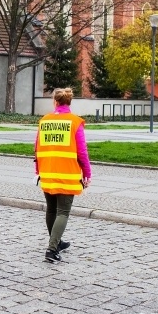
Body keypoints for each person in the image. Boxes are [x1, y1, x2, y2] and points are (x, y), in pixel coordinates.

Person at [35, 87, 92, 263]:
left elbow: (37, 148)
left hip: (48, 172)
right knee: (62, 212)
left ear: (55, 101)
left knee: (51, 209)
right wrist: (87, 173)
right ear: (69, 102)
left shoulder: (44, 121)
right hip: (67, 174)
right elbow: (82, 152)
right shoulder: (74, 122)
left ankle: (57, 242)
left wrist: (38, 170)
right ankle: (52, 249)